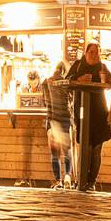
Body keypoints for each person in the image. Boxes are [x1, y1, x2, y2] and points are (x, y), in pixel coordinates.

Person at [66, 43, 111, 190]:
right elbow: (68, 80)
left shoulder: (102, 67)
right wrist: (79, 78)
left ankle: (91, 182)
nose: (94, 55)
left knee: (97, 148)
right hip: (82, 110)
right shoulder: (78, 65)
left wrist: (104, 80)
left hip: (99, 111)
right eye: (91, 52)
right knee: (85, 146)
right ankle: (82, 179)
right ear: (85, 53)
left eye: (97, 53)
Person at [45, 61, 74, 189]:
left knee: (54, 153)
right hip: (65, 118)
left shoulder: (46, 82)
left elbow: (44, 101)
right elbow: (72, 100)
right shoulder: (67, 83)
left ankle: (58, 181)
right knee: (67, 151)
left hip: (53, 118)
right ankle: (68, 175)